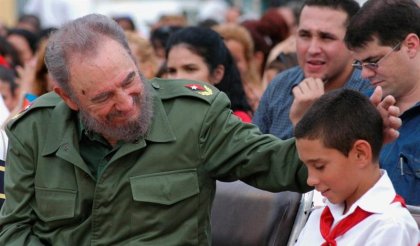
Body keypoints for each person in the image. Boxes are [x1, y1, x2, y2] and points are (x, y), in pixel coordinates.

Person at [0, 14, 400, 245]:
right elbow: (14, 230)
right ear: (68, 97)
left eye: (129, 81)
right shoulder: (35, 131)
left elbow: (279, 164)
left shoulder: (195, 115)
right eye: (102, 97)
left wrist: (349, 136)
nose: (125, 102)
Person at [294, 89, 419, 245]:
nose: (310, 180)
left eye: (319, 166)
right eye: (307, 166)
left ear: (360, 154)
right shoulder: (319, 216)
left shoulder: (391, 226)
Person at [253, 0, 371, 139]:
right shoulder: (279, 86)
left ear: (352, 42)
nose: (312, 49)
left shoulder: (372, 92)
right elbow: (254, 156)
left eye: (326, 37)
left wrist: (307, 123)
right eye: (305, 35)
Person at [344, 0, 420, 205]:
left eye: (374, 61)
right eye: (359, 65)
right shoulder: (357, 106)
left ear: (411, 46)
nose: (365, 74)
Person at [165, 26, 253, 122]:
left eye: (190, 69)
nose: (178, 79)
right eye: (172, 71)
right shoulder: (160, 120)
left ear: (217, 74)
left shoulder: (236, 124)